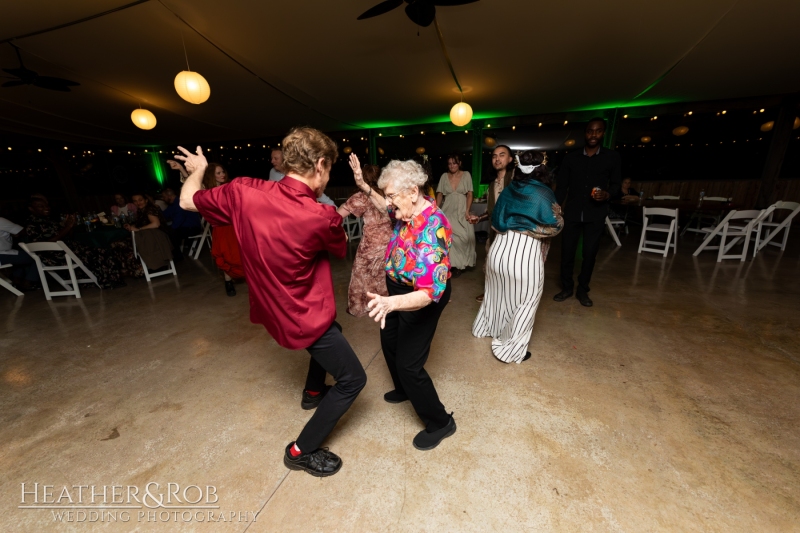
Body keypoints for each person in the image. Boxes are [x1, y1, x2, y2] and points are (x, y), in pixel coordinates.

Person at [176, 127, 366, 477]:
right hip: (305, 313)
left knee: (331, 334)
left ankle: (312, 391)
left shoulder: (242, 190)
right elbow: (338, 249)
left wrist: (197, 172)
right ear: (321, 164)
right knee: (353, 379)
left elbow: (188, 201)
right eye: (328, 170)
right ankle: (300, 450)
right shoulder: (321, 216)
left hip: (272, 308)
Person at [352, 156, 457, 451]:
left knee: (409, 364)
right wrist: (363, 185)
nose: (390, 207)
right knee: (390, 343)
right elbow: (382, 204)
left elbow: (426, 294)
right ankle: (404, 389)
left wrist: (392, 304)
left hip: (420, 297)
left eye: (392, 197)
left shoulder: (432, 229)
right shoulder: (405, 206)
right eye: (388, 197)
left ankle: (441, 422)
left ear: (413, 191)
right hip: (397, 289)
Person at [472, 150, 563, 364]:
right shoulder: (544, 193)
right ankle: (511, 350)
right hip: (525, 255)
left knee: (497, 294)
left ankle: (485, 328)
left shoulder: (508, 190)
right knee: (527, 302)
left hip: (498, 251)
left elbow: (494, 222)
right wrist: (534, 228)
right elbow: (556, 225)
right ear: (543, 169)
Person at [553, 117, 621, 307]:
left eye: (598, 131)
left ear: (603, 133)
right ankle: (567, 287)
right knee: (567, 252)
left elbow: (617, 185)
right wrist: (554, 207)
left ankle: (583, 289)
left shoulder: (611, 157)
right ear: (585, 133)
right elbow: (562, 187)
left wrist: (607, 194)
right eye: (590, 131)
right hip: (572, 213)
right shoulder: (570, 158)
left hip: (596, 214)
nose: (593, 134)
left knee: (589, 253)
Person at [25, 198, 126, 289]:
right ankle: (106, 281)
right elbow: (46, 244)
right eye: (40, 206)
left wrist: (70, 225)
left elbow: (66, 236)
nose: (46, 208)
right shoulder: (32, 225)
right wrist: (67, 228)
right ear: (31, 209)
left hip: (68, 250)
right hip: (56, 256)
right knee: (98, 252)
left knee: (101, 249)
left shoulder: (49, 220)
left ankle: (107, 280)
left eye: (46, 205)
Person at [337, 163, 393, 317]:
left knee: (360, 274)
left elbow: (337, 216)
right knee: (385, 274)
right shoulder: (389, 195)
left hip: (371, 244)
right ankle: (385, 305)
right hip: (390, 242)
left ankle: (360, 306)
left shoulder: (361, 197)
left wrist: (340, 228)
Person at [471, 144, 516, 302]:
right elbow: (491, 211)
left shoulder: (516, 180)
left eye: (502, 155)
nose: (497, 159)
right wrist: (479, 218)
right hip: (494, 232)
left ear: (510, 159)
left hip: (512, 232)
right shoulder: (492, 184)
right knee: (491, 264)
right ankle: (490, 293)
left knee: (510, 266)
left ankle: (509, 297)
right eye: (494, 156)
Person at [203, 163, 244, 296]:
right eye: (218, 173)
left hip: (235, 225)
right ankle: (228, 281)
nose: (222, 175)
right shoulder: (207, 190)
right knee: (226, 255)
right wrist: (181, 170)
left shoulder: (230, 186)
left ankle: (252, 279)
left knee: (242, 253)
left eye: (223, 172)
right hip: (221, 228)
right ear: (211, 175)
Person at [435, 153, 475, 276]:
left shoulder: (466, 175)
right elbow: (440, 194)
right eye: (450, 163)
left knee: (464, 236)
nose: (452, 166)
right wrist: (435, 210)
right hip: (448, 210)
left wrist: (467, 210)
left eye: (454, 163)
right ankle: (453, 265)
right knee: (449, 237)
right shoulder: (444, 176)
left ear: (460, 163)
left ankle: (462, 262)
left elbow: (469, 194)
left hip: (462, 209)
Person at [269, 147, 336, 206]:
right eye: (272, 158)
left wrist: (335, 208)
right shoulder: (273, 172)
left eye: (276, 158)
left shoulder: (298, 173)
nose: (272, 161)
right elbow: (271, 191)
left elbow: (316, 194)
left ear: (285, 159)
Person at [162, 187, 202, 261]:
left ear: (169, 196)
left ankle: (177, 256)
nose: (163, 199)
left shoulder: (180, 203)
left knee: (170, 233)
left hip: (192, 228)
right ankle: (175, 255)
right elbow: (164, 214)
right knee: (167, 232)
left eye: (164, 197)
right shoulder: (173, 204)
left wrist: (171, 228)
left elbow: (179, 218)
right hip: (185, 227)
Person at [0, 215, 38, 291]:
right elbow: (22, 231)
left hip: (4, 254)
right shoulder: (1, 220)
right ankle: (28, 283)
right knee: (38, 256)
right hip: (2, 255)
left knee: (20, 257)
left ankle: (17, 282)